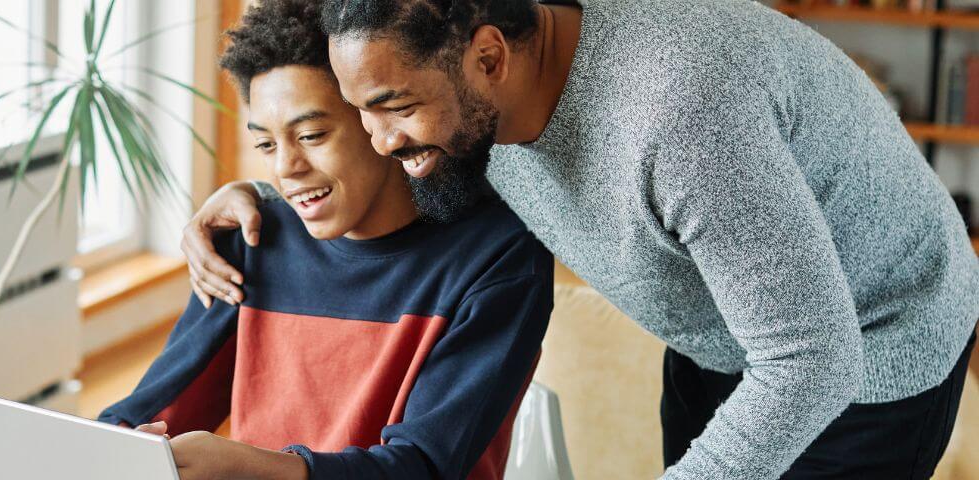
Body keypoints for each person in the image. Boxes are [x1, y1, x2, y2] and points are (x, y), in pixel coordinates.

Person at [183, 0, 979, 478]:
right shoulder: (468, 77)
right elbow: (394, 180)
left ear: (488, 56)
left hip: (872, 345)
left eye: (394, 107)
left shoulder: (676, 119)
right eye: (359, 115)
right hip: (723, 334)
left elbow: (813, 357)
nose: (380, 139)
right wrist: (268, 199)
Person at [98, 1, 554, 479]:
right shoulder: (250, 243)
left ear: (374, 115)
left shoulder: (497, 259)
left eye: (312, 135)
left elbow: (426, 465)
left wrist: (271, 471)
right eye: (266, 144)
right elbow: (139, 421)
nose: (285, 169)